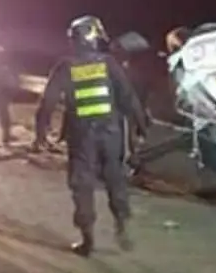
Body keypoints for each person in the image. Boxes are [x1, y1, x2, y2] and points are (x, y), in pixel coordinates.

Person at [32, 15, 149, 257]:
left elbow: (48, 102)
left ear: (74, 40)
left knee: (82, 185)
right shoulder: (108, 64)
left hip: (81, 137)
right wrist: (141, 126)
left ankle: (88, 240)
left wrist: (41, 131)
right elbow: (128, 97)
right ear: (95, 38)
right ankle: (122, 225)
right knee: (115, 179)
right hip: (111, 134)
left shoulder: (65, 67)